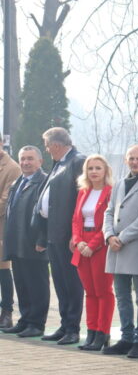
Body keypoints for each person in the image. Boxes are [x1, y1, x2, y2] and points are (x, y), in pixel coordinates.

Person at [102, 145, 138, 359]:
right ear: (126, 161)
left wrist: (122, 238)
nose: (135, 162)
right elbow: (109, 212)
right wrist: (109, 235)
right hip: (116, 249)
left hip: (135, 248)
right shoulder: (119, 184)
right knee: (122, 296)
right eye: (131, 158)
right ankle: (126, 337)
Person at [34, 127, 86, 345]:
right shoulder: (59, 163)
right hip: (54, 233)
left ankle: (73, 327)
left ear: (56, 145)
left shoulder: (77, 161)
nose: (47, 150)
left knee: (72, 282)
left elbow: (82, 199)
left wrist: (76, 234)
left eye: (47, 146)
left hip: (69, 236)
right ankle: (64, 324)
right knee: (60, 281)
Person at [2, 146, 49, 337]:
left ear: (40, 162)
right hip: (17, 242)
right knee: (22, 282)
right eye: (23, 159)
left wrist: (42, 239)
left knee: (36, 283)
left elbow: (46, 214)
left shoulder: (43, 182)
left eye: (30, 159)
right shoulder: (18, 182)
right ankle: (25, 319)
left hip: (33, 243)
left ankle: (36, 323)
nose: (25, 163)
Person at [70, 155, 115, 351]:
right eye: (90, 168)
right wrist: (78, 241)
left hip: (100, 247)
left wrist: (93, 245)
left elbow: (109, 222)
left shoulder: (110, 193)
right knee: (89, 292)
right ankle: (90, 332)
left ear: (105, 171)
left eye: (98, 168)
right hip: (82, 245)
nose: (94, 172)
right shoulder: (83, 192)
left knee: (103, 291)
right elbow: (75, 219)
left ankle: (102, 333)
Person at [0, 146, 21, 328]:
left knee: (3, 270)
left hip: (1, 227)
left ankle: (7, 312)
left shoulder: (11, 167)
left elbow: (5, 201)